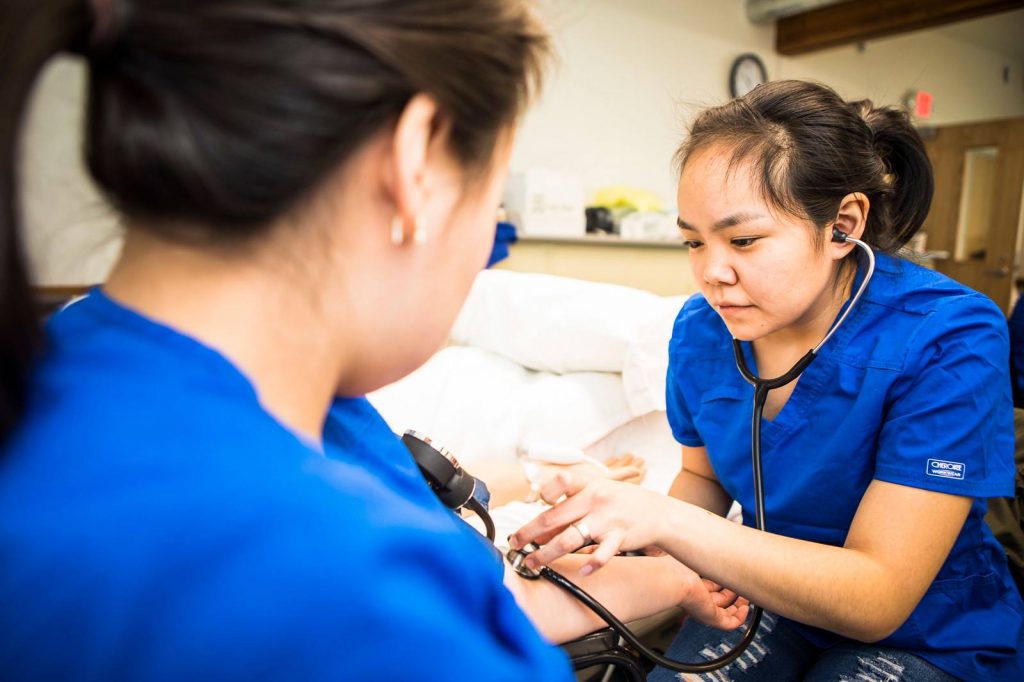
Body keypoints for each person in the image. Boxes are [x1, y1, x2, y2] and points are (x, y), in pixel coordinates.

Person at [0, 1, 749, 679]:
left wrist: (669, 575)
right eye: (494, 218)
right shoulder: (367, 602)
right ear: (415, 164)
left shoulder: (71, 364)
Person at [511, 80, 1024, 680]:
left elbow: (878, 597)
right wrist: (623, 538)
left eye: (744, 240)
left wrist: (663, 519)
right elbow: (703, 477)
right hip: (762, 596)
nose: (711, 272)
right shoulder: (701, 330)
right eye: (693, 241)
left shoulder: (949, 335)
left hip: (929, 632)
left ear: (842, 225)